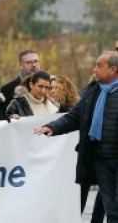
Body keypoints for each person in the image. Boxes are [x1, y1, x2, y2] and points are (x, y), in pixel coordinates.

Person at [36, 52, 118, 222]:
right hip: (99, 158)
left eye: (99, 66)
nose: (94, 69)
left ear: (113, 69)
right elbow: (74, 117)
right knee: (112, 209)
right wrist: (52, 127)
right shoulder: (92, 93)